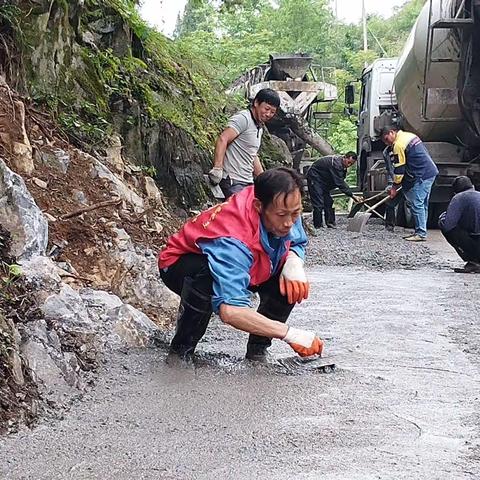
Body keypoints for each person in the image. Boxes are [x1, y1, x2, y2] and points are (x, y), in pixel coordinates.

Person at [158, 167, 323, 363]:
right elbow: (231, 312)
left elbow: (297, 241)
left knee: (289, 285)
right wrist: (291, 334)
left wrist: (294, 262)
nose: (289, 223)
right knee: (205, 277)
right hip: (180, 264)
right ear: (258, 207)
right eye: (281, 215)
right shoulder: (234, 240)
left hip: (252, 264)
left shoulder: (283, 202)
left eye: (295, 213)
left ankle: (258, 350)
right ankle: (180, 352)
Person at [208, 88, 280, 199]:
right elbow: (223, 139)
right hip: (233, 180)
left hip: (248, 181)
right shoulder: (243, 118)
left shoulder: (259, 127)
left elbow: (252, 154)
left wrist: (263, 178)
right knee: (243, 213)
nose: (268, 114)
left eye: (272, 112)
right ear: (256, 103)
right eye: (266, 109)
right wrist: (218, 168)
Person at [381, 125, 438, 241]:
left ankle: (421, 233)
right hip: (430, 172)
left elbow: (399, 170)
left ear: (392, 133)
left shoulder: (398, 145)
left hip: (421, 175)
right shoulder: (409, 136)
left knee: (417, 204)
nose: (387, 143)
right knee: (423, 204)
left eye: (387, 139)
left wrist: (394, 187)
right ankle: (421, 230)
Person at [306, 152, 362, 228]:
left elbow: (340, 181)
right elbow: (340, 183)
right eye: (348, 162)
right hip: (315, 177)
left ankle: (330, 222)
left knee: (328, 201)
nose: (349, 165)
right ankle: (318, 225)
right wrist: (352, 195)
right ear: (344, 157)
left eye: (351, 164)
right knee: (318, 202)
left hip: (324, 180)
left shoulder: (342, 166)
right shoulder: (336, 164)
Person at [438, 175, 480, 273]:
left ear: (455, 191)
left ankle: (473, 262)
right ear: (472, 186)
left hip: (476, 244)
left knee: (442, 222)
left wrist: (444, 216)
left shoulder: (458, 198)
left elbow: (448, 225)